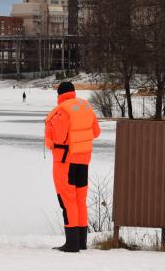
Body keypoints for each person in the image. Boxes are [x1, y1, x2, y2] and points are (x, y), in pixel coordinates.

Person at [44, 81, 101, 252]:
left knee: (67, 201)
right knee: (80, 200)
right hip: (83, 161)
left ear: (59, 95)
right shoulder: (86, 106)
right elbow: (96, 132)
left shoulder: (59, 111)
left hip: (64, 162)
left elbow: (53, 141)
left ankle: (71, 243)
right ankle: (81, 242)